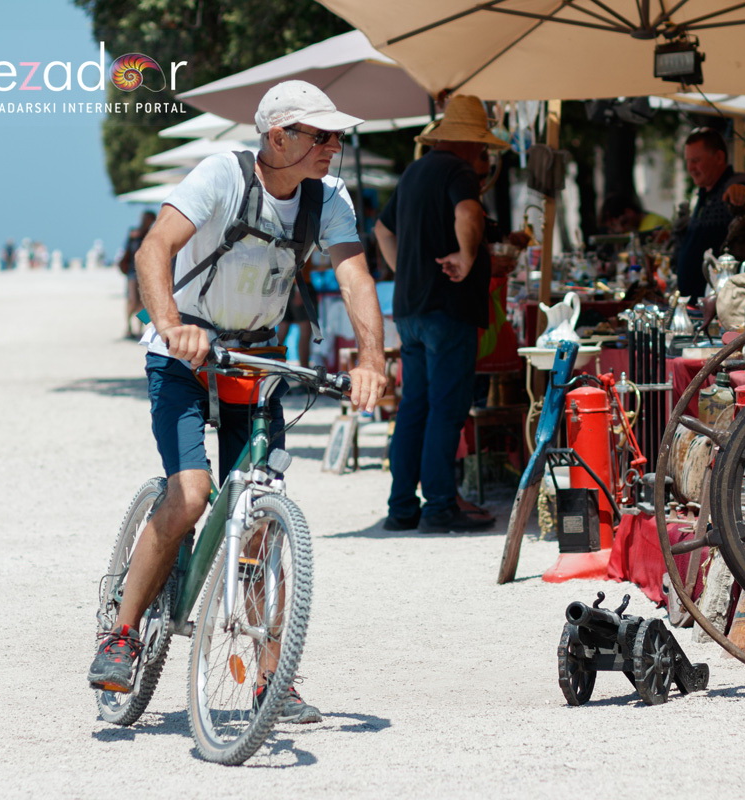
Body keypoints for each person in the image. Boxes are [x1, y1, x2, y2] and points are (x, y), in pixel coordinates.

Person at [87, 81, 388, 723]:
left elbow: (356, 275)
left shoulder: (326, 199)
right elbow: (154, 249)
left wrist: (370, 361)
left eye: (337, 136)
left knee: (256, 519)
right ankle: (124, 631)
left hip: (254, 363)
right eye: (320, 135)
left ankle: (270, 681)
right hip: (185, 355)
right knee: (191, 495)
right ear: (277, 136)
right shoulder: (221, 175)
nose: (333, 147)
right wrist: (172, 324)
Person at [374, 95, 508, 533]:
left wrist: (406, 271)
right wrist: (468, 258)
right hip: (446, 307)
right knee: (447, 409)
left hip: (410, 308)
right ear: (470, 143)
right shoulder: (458, 170)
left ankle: (401, 507)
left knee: (415, 407)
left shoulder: (415, 171)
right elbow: (467, 212)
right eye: (481, 146)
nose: (482, 154)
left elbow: (381, 229)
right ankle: (438, 505)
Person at [674, 127, 745, 301]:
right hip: (698, 304)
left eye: (696, 160)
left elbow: (743, 190)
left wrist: (740, 193)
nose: (690, 168)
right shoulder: (702, 193)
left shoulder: (734, 183)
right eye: (688, 161)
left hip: (727, 306)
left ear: (719, 158)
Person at [119, 210, 156, 339]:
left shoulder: (154, 234)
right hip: (133, 271)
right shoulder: (134, 233)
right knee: (132, 300)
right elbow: (128, 251)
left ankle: (140, 327)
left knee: (146, 303)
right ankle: (128, 327)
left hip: (148, 273)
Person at [598, 193, 670, 235]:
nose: (618, 230)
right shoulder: (636, 228)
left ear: (629, 212)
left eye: (615, 225)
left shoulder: (655, 225)